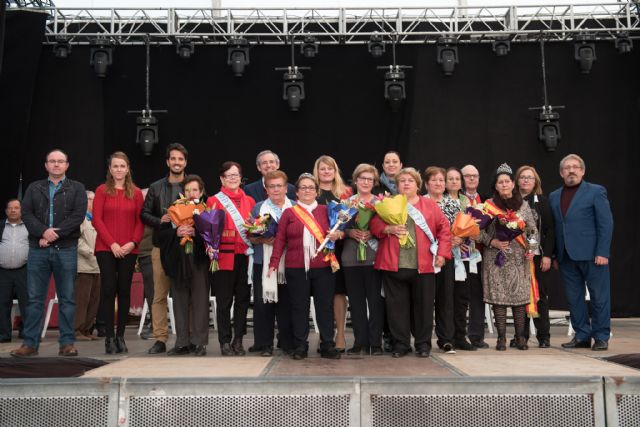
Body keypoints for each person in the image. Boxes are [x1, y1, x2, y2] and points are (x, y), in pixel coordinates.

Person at [11, 149, 87, 358]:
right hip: (38, 250)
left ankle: (67, 344)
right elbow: (27, 214)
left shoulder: (77, 188)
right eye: (52, 161)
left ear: (67, 165)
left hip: (66, 250)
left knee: (67, 299)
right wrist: (43, 231)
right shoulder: (34, 188)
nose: (56, 165)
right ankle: (30, 344)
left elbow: (77, 216)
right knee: (34, 299)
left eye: (60, 161)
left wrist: (54, 235)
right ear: (46, 165)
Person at [370, 167, 452, 358]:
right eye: (402, 181)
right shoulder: (387, 203)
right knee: (396, 308)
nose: (406, 183)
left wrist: (442, 254)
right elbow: (374, 225)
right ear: (397, 185)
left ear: (417, 184)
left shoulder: (430, 205)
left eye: (410, 181)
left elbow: (444, 231)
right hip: (394, 264)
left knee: (423, 307)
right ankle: (401, 344)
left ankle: (423, 344)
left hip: (422, 266)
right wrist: (388, 228)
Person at [268, 173, 343, 360]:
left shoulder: (327, 210)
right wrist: (274, 262)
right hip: (296, 267)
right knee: (299, 307)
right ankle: (300, 345)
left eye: (311, 187)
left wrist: (338, 235)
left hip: (323, 266)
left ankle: (327, 344)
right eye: (303, 188)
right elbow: (280, 240)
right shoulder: (289, 213)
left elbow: (340, 230)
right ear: (297, 192)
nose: (307, 191)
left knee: (324, 307)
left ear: (317, 191)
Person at [549, 154, 613, 351]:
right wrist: (554, 255)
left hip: (593, 255)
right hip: (566, 257)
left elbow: (606, 223)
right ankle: (582, 335)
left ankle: (601, 336)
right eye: (567, 168)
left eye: (575, 167)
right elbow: (553, 228)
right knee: (574, 298)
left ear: (582, 171)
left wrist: (603, 251)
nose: (571, 171)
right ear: (561, 173)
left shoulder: (596, 191)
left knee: (599, 297)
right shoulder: (553, 196)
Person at [478, 163, 537, 351]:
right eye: (500, 182)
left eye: (507, 181)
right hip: (495, 257)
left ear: (513, 184)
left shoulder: (524, 205)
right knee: (499, 300)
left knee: (519, 300)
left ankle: (520, 338)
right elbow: (475, 232)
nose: (504, 185)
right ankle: (501, 338)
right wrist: (492, 242)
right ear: (495, 186)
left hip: (519, 258)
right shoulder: (488, 206)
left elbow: (533, 231)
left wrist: (532, 249)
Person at [92, 152, 144, 354]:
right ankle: (109, 337)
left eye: (122, 166)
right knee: (108, 289)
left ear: (128, 168)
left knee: (124, 291)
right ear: (110, 169)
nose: (119, 170)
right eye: (115, 166)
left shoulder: (137, 193)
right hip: (106, 247)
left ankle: (121, 336)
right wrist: (112, 243)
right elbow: (97, 219)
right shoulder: (102, 190)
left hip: (129, 248)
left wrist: (132, 243)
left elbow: (141, 221)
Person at [141, 143, 188, 355]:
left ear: (185, 162)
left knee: (184, 295)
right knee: (159, 295)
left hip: (186, 247)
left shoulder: (192, 185)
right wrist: (160, 220)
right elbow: (144, 214)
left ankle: (186, 339)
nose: (177, 162)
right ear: (167, 162)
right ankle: (160, 338)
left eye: (181, 159)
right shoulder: (155, 187)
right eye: (173, 159)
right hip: (161, 247)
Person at [207, 161, 256, 356]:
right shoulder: (213, 200)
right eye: (229, 175)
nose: (233, 178)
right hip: (223, 257)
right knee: (224, 301)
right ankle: (224, 341)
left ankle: (238, 339)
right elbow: (207, 231)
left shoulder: (250, 201)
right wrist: (209, 247)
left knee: (243, 300)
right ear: (222, 179)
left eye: (236, 175)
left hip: (244, 256)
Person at [158, 175, 210, 357]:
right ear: (182, 193)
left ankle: (199, 343)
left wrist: (197, 232)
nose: (191, 193)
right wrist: (176, 231)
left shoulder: (207, 212)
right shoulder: (172, 211)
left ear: (201, 192)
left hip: (198, 261)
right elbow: (159, 239)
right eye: (187, 190)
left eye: (194, 190)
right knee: (179, 302)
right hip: (178, 262)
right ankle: (182, 342)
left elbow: (213, 239)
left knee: (200, 302)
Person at [248, 170, 294, 357]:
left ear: (286, 188)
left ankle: (287, 341)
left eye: (279, 186)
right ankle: (264, 343)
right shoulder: (258, 208)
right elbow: (250, 235)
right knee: (263, 303)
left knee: (287, 304)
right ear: (266, 189)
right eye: (272, 186)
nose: (276, 189)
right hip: (264, 261)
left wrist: (286, 241)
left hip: (289, 262)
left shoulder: (295, 207)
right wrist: (261, 240)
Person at [342, 164, 384, 355]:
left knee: (375, 302)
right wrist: (351, 232)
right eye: (362, 178)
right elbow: (337, 229)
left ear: (374, 182)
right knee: (356, 303)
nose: (366, 182)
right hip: (351, 259)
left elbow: (387, 230)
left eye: (370, 179)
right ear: (356, 180)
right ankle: (360, 342)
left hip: (374, 258)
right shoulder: (346, 203)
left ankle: (375, 343)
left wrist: (373, 234)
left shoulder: (381, 203)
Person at [313, 154, 352, 352]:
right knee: (322, 295)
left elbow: (352, 222)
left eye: (330, 168)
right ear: (317, 172)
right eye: (322, 169)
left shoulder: (346, 193)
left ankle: (341, 336)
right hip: (318, 249)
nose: (326, 172)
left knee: (338, 293)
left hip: (339, 249)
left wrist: (341, 233)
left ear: (335, 171)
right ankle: (324, 337)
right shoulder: (311, 192)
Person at [512, 165, 555, 348]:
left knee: (540, 296)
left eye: (530, 177)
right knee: (518, 298)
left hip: (537, 257)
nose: (526, 180)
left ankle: (544, 336)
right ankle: (520, 336)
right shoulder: (510, 201)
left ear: (535, 181)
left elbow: (550, 230)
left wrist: (547, 256)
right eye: (523, 177)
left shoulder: (542, 202)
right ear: (517, 180)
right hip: (515, 257)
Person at [423, 166, 457, 354]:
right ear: (426, 183)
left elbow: (458, 228)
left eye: (441, 180)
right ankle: (424, 339)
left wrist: (459, 237)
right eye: (434, 180)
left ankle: (446, 339)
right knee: (425, 299)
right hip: (424, 256)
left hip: (446, 256)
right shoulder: (420, 203)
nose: (438, 183)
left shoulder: (453, 204)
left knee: (446, 299)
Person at [444, 167, 478, 351]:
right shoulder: (441, 200)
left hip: (465, 254)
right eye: (451, 178)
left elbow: (473, 225)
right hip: (447, 254)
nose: (455, 181)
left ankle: (460, 336)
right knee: (448, 297)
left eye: (457, 178)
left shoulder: (466, 201)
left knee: (462, 297)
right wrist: (452, 239)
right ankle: (447, 336)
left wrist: (466, 237)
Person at [461, 164, 488, 349]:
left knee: (478, 296)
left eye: (475, 175)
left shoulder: (486, 199)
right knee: (461, 297)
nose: (471, 178)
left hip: (480, 254)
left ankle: (477, 335)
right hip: (460, 254)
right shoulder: (456, 199)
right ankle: (458, 335)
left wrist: (478, 236)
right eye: (467, 176)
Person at [0, 199, 29, 343]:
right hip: (3, 271)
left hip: (24, 270)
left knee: (27, 303)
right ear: (6, 211)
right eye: (10, 208)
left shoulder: (28, 226)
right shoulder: (1, 226)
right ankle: (4, 334)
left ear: (21, 210)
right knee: (2, 303)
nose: (13, 210)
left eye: (16, 208)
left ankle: (26, 332)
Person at [74, 190, 100, 341]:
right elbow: (76, 241)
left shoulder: (95, 219)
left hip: (97, 266)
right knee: (82, 299)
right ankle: (76, 330)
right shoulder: (79, 219)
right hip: (83, 265)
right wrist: (92, 252)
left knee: (94, 300)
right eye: (91, 199)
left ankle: (87, 330)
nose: (94, 202)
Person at [136, 188, 154, 340]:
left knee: (154, 291)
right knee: (150, 290)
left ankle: (156, 324)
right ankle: (153, 322)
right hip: (143, 253)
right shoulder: (136, 212)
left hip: (155, 252)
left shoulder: (155, 212)